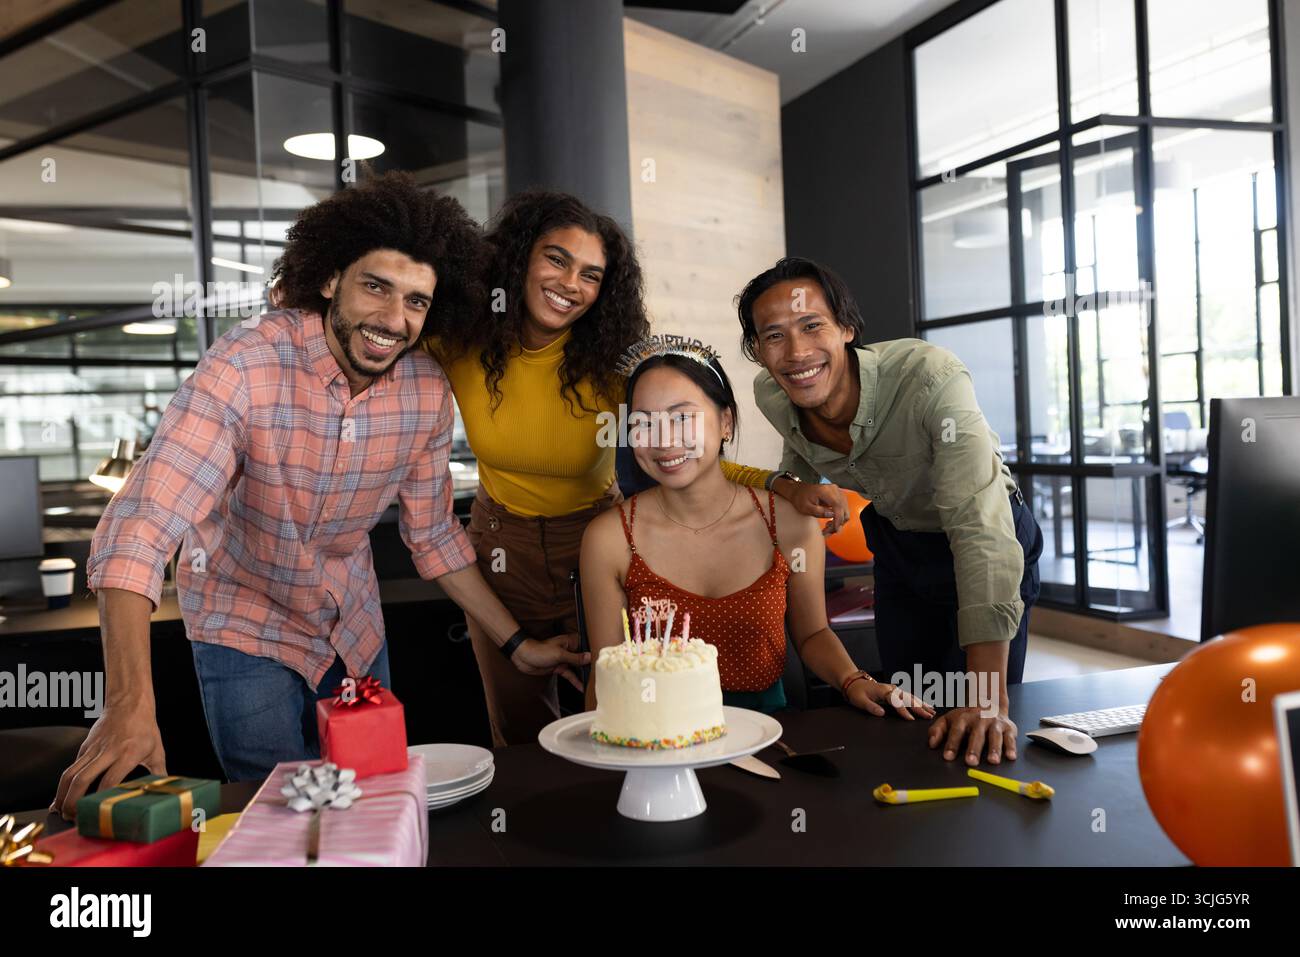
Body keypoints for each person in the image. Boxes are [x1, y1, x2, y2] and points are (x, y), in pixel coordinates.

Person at [51, 172, 586, 815]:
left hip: (353, 628)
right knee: (283, 816)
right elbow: (143, 524)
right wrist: (129, 704)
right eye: (376, 287)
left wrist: (516, 644)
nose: (394, 319)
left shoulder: (423, 391)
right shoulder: (245, 365)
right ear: (330, 278)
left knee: (369, 805)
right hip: (243, 624)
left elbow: (434, 535)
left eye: (417, 301)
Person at [422, 191, 844, 746]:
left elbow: (688, 450)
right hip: (501, 549)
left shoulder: (610, 364)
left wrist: (778, 484)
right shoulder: (457, 345)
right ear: (518, 258)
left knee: (622, 702)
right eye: (556, 258)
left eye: (591, 274)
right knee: (520, 737)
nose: (571, 282)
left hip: (594, 544)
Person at [737, 257, 1043, 766]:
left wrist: (986, 696)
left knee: (979, 731)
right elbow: (799, 454)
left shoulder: (931, 378)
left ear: (847, 329)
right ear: (758, 350)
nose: (796, 352)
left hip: (983, 537)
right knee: (912, 710)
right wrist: (792, 487)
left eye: (812, 326)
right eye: (773, 336)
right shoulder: (774, 393)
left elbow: (978, 526)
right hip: (898, 548)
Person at [579, 338, 934, 720]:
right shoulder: (610, 538)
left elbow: (812, 633)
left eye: (683, 417)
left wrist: (853, 680)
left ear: (726, 422)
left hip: (768, 737)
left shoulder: (789, 524)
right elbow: (607, 670)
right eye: (644, 422)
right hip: (654, 736)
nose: (664, 440)